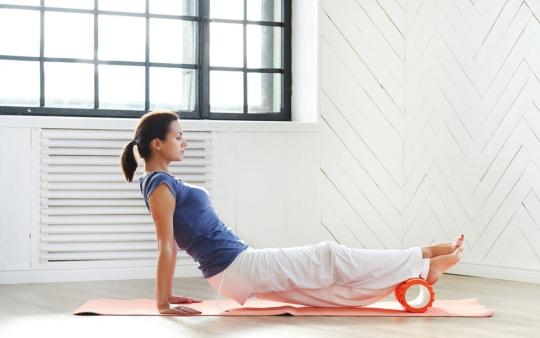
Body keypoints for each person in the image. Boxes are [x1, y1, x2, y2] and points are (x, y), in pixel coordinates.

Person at [120, 110, 465, 316]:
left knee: (327, 293)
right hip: (236, 266)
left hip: (234, 268)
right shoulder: (159, 185)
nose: (185, 142)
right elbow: (166, 244)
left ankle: (419, 269)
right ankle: (422, 258)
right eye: (178, 137)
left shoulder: (161, 182)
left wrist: (165, 297)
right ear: (157, 144)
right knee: (329, 257)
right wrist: (162, 302)